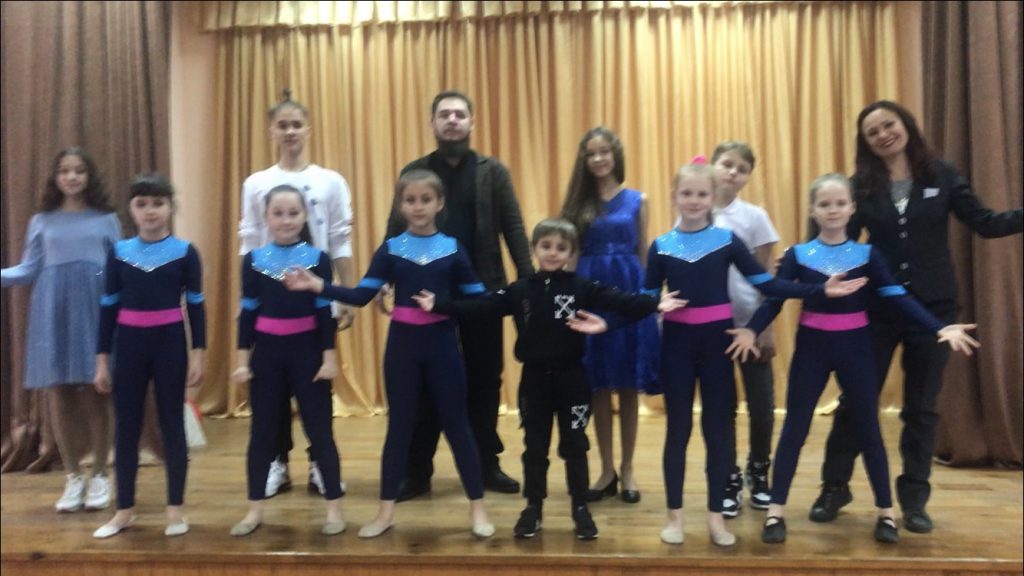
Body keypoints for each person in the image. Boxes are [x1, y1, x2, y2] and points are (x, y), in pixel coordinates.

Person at [727, 173, 979, 545]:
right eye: (824, 204)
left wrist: (937, 327)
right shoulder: (798, 254)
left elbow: (896, 295)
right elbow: (776, 299)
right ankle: (775, 511)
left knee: (869, 429)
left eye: (840, 203)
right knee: (795, 428)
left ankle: (886, 512)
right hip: (811, 349)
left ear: (852, 209)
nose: (833, 210)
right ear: (813, 210)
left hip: (856, 349)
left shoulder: (868, 255)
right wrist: (751, 329)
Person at [810, 100, 1024, 534]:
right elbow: (836, 240)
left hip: (934, 311)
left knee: (921, 408)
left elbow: (985, 222)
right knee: (855, 400)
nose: (883, 135)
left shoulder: (941, 175)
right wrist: (805, 264)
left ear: (906, 125)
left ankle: (914, 499)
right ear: (865, 142)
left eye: (889, 125)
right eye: (873, 132)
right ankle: (834, 487)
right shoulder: (861, 186)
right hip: (877, 309)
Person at [412, 218, 687, 539]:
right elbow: (480, 307)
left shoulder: (581, 287)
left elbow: (621, 301)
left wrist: (656, 303)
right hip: (534, 382)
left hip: (573, 380)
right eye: (546, 246)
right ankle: (533, 507)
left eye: (561, 247)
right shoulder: (520, 290)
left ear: (571, 253)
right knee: (535, 447)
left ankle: (580, 508)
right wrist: (439, 305)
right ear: (535, 249)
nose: (553, 253)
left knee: (575, 445)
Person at [646, 161, 867, 547]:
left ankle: (716, 518)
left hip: (717, 346)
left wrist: (817, 290)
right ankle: (675, 518)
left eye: (701, 194)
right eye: (687, 193)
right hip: (676, 347)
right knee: (677, 431)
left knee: (718, 432)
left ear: (712, 198)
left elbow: (767, 283)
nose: (694, 201)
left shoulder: (726, 240)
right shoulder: (661, 246)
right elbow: (646, 295)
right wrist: (640, 307)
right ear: (674, 196)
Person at [285, 170, 495, 539]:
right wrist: (319, 285)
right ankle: (385, 513)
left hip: (443, 348)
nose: (418, 207)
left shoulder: (453, 248)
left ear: (439, 203)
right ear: (400, 206)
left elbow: (480, 301)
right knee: (398, 428)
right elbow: (361, 296)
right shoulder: (391, 249)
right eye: (410, 200)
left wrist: (443, 305)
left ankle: (478, 510)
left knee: (457, 427)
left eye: (426, 200)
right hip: (403, 349)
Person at [385, 90, 533, 500]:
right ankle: (417, 472)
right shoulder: (415, 171)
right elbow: (395, 228)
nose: (452, 120)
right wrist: (386, 279)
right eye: (444, 114)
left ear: (471, 122)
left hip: (481, 294)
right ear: (432, 124)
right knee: (424, 386)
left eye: (459, 114)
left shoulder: (493, 172)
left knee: (485, 380)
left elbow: (513, 227)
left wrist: (528, 281)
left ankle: (487, 466)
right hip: (423, 296)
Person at [238, 90, 355, 499]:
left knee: (316, 387)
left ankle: (321, 462)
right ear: (271, 131)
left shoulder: (330, 181)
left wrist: (344, 293)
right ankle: (277, 462)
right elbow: (249, 241)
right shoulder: (256, 184)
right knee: (270, 390)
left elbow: (340, 239)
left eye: (296, 125)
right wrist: (246, 302)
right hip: (270, 304)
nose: (290, 131)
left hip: (315, 298)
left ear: (308, 129)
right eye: (282, 125)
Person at [2, 147, 121, 514]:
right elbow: (29, 268)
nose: (72, 177)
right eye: (65, 171)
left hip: (95, 310)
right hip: (53, 312)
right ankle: (73, 476)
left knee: (97, 392)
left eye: (79, 170)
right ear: (55, 177)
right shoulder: (41, 221)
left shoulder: (106, 219)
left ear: (88, 176)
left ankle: (100, 473)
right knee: (60, 394)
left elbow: (118, 270)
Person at [92, 173, 206, 538]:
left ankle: (175, 511)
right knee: (126, 427)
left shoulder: (185, 252)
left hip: (169, 344)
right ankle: (124, 510)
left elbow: (196, 306)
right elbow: (108, 308)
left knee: (172, 424)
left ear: (170, 207)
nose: (150, 211)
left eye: (158, 203)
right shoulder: (118, 253)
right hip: (129, 346)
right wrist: (101, 359)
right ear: (131, 209)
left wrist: (198, 353)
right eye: (142, 204)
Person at [230, 185, 345, 537]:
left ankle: (334, 508)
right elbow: (247, 313)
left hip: (307, 355)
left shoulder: (318, 258)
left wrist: (328, 358)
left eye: (293, 213)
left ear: (304, 216)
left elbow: (324, 313)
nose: (285, 220)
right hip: (266, 356)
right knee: (261, 433)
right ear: (266, 218)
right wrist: (242, 360)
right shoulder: (253, 260)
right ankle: (254, 509)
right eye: (277, 214)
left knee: (320, 431)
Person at [560, 127, 658, 505]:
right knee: (597, 384)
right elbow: (570, 255)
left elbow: (644, 251)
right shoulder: (578, 203)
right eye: (591, 154)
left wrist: (650, 300)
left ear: (616, 154)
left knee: (628, 384)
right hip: (590, 290)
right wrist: (565, 298)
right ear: (584, 160)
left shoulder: (637, 200)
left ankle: (628, 468)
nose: (598, 159)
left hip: (628, 288)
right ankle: (606, 469)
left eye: (604, 151)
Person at [706, 141, 780, 516]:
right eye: (727, 164)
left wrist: (765, 326)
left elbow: (765, 277)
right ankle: (728, 476)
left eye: (742, 168)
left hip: (750, 324)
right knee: (722, 408)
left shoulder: (755, 217)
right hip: (711, 328)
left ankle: (759, 470)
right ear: (713, 166)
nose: (733, 172)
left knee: (762, 405)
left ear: (748, 177)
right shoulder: (697, 212)